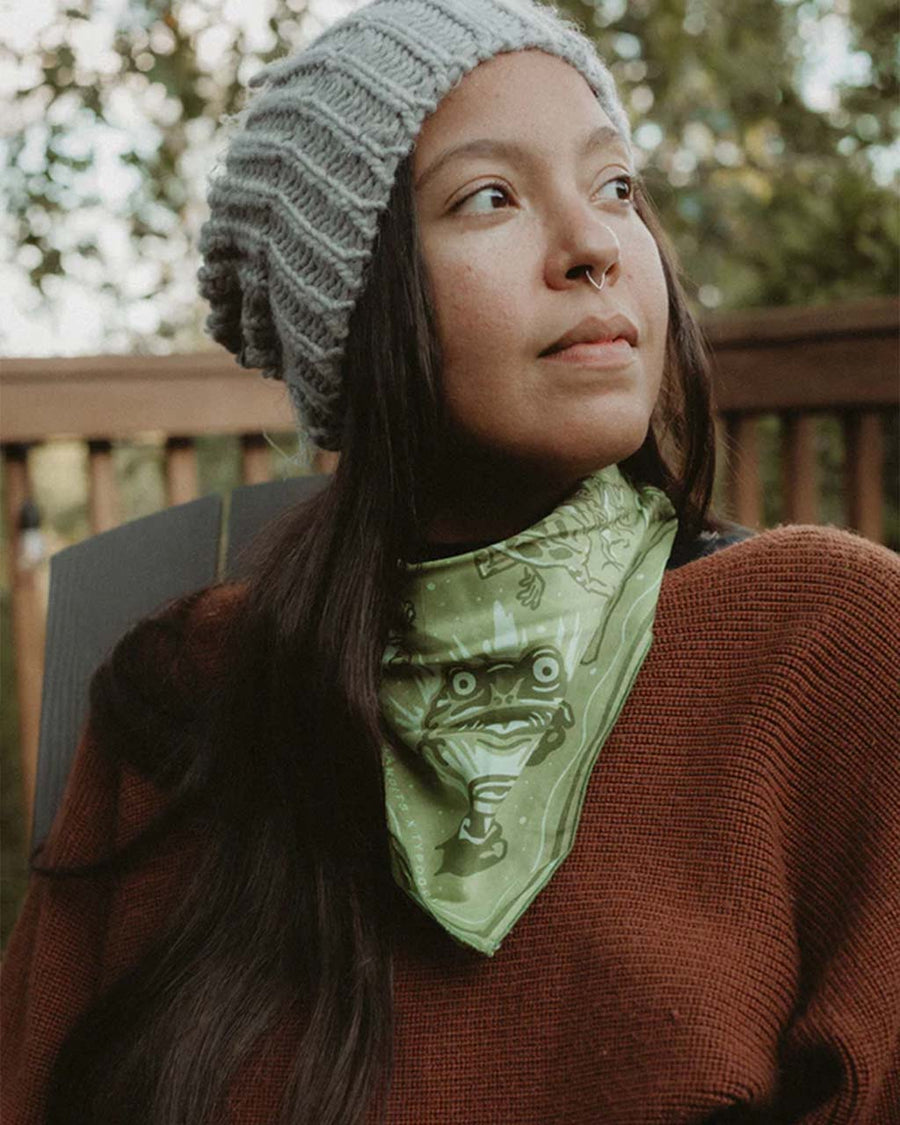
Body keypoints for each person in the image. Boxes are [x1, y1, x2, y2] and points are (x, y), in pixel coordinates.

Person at [2, 0, 898, 1122]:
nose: (595, 248)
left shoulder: (826, 638)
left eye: (617, 187)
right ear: (350, 309)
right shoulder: (190, 689)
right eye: (491, 197)